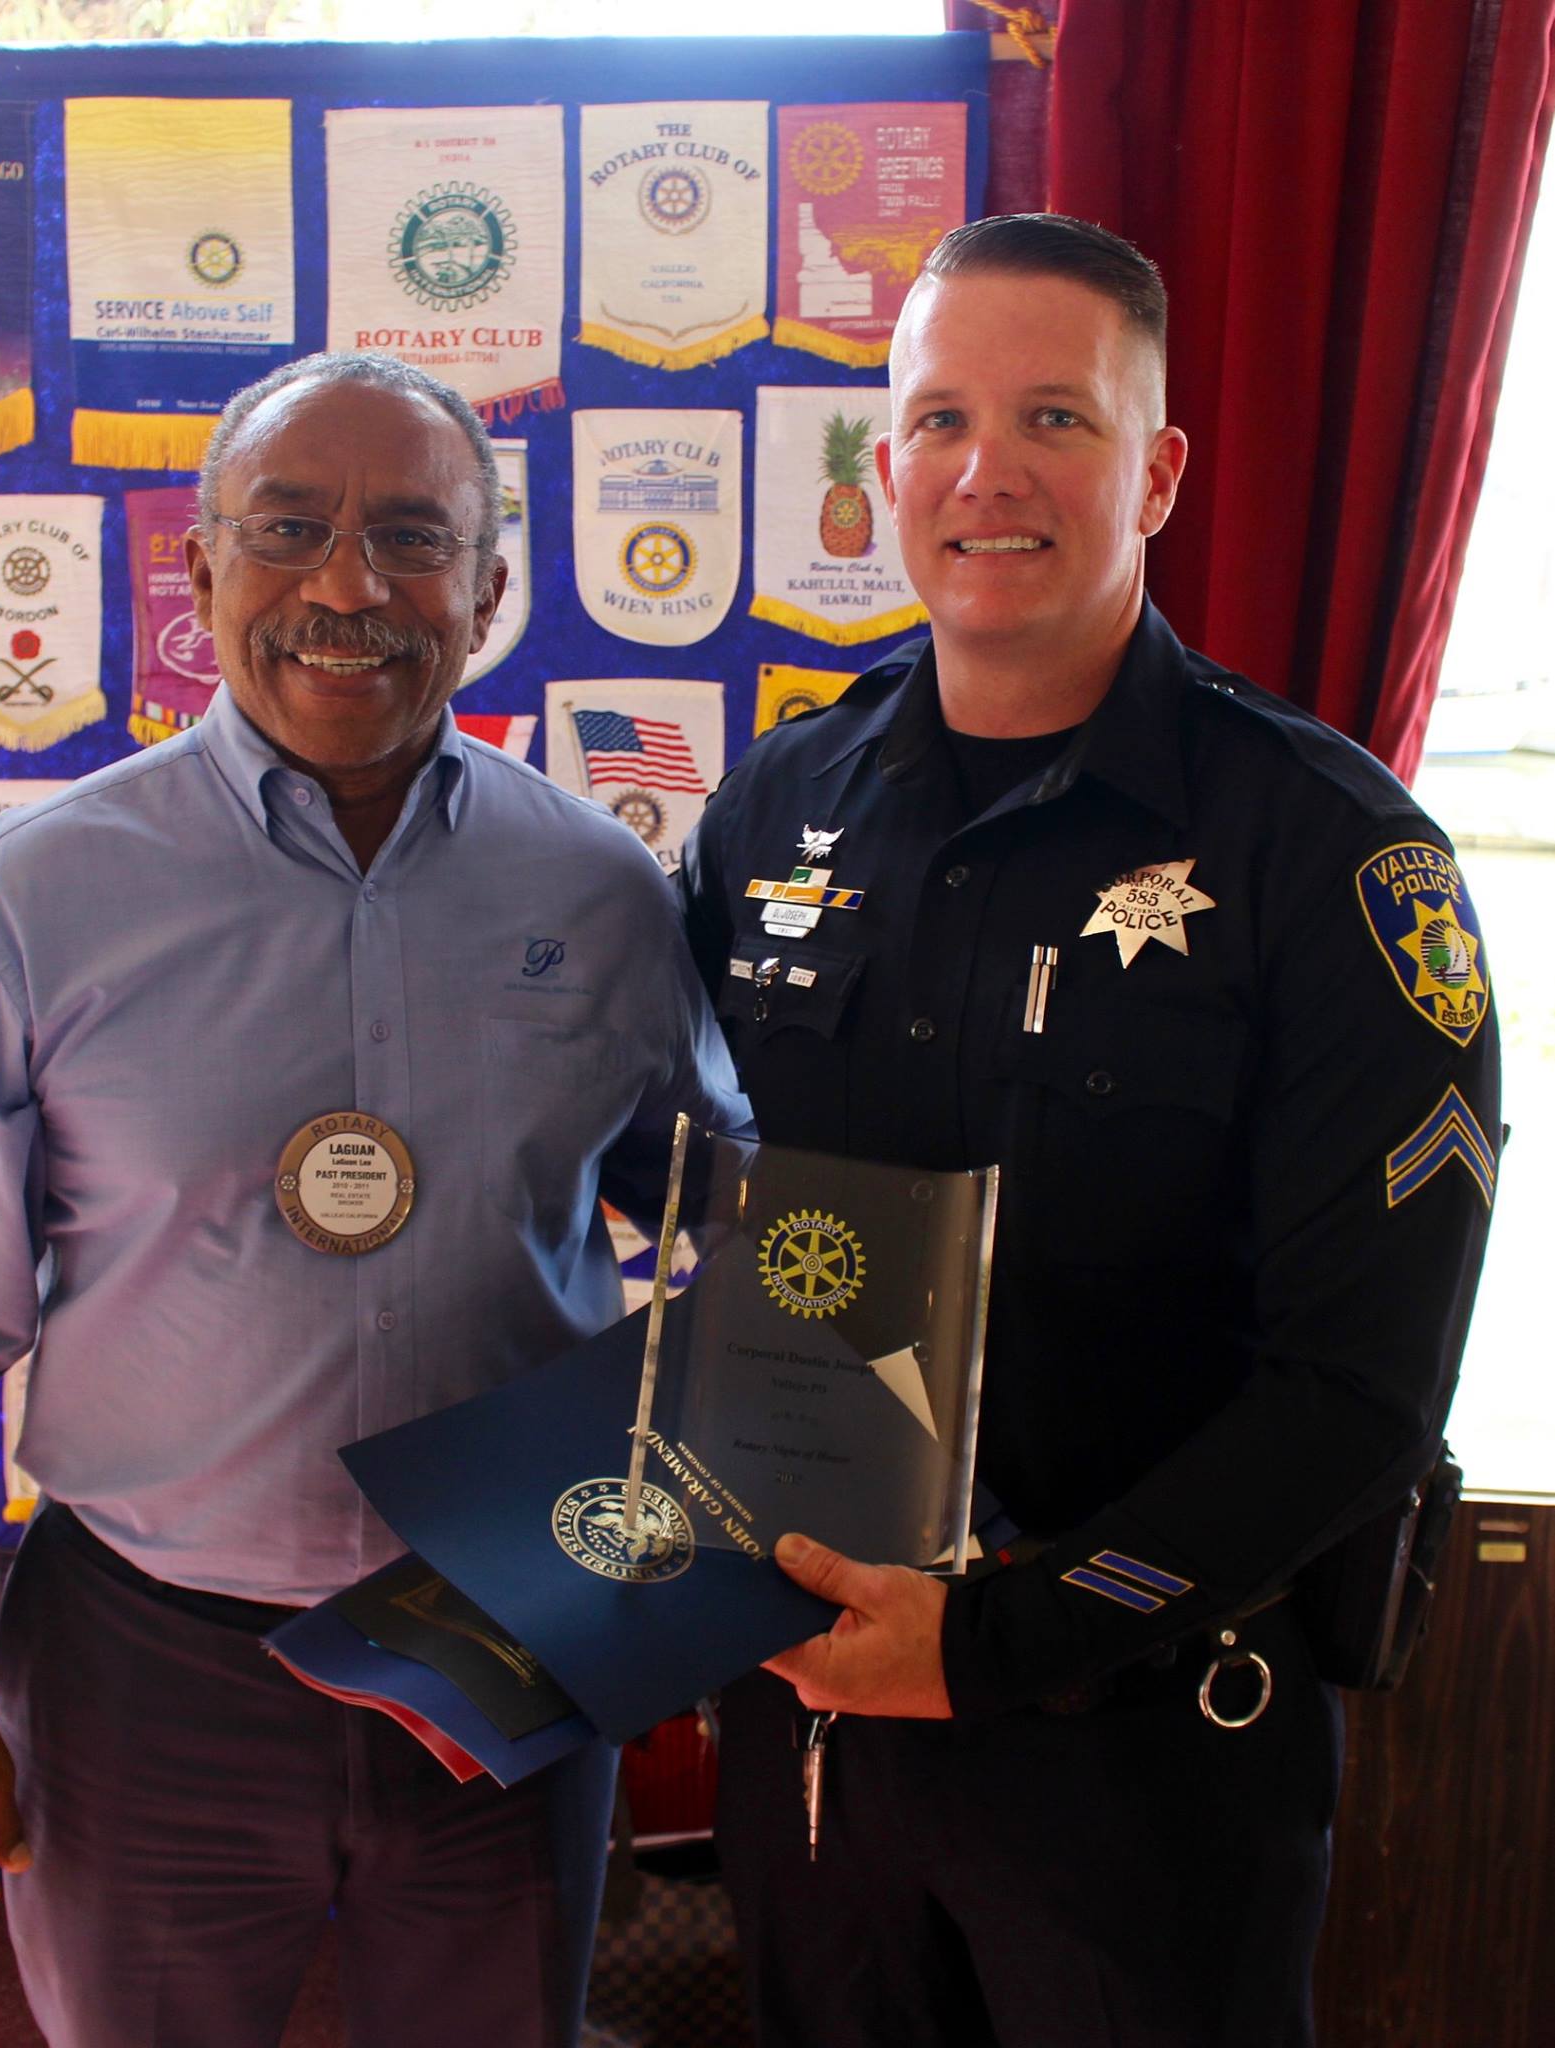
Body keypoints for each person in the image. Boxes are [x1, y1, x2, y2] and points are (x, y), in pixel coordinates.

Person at [0, 351, 744, 2048]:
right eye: (290, 529)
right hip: (144, 1671)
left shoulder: (602, 893)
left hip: (507, 1646)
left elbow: (722, 1210)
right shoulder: (31, 901)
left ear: (489, 590)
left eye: (411, 538)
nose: (348, 588)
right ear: (200, 569)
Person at [680, 215, 1500, 2048]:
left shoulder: (1330, 855)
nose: (988, 471)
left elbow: (1359, 1391)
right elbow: (684, 1211)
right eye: (940, 419)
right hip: (810, 1733)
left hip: (1141, 1746)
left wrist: (996, 1642)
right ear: (886, 465)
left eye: (1054, 417)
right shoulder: (777, 808)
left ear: (1157, 473)